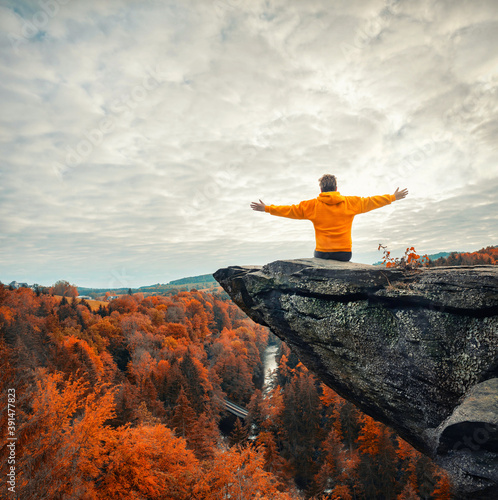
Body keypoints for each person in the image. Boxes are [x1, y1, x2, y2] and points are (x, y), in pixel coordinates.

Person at [250, 174, 408, 262]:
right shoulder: (350, 203)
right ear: (336, 188)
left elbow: (290, 210)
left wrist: (267, 208)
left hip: (322, 253)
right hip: (344, 253)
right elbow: (372, 201)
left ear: (321, 189)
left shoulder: (312, 205)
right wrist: (392, 197)